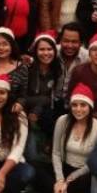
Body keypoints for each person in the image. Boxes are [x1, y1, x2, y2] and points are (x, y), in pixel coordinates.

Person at [50, 84, 97, 193]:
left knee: (93, 178)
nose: (78, 109)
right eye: (74, 105)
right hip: (65, 169)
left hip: (83, 172)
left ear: (90, 107)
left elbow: (96, 161)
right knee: (36, 171)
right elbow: (56, 153)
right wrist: (59, 179)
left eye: (83, 105)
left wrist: (72, 178)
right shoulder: (62, 121)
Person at [23, 31, 64, 169]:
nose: (46, 53)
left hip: (44, 114)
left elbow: (53, 98)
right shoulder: (27, 67)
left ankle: (50, 142)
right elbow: (21, 97)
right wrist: (36, 106)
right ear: (35, 50)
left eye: (49, 49)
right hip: (23, 112)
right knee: (32, 155)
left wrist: (38, 109)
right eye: (42, 49)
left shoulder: (57, 68)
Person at [56, 22, 89, 99]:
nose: (70, 46)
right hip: (51, 101)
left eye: (74, 42)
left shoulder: (87, 57)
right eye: (66, 41)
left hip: (75, 103)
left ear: (81, 43)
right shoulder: (51, 52)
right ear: (60, 40)